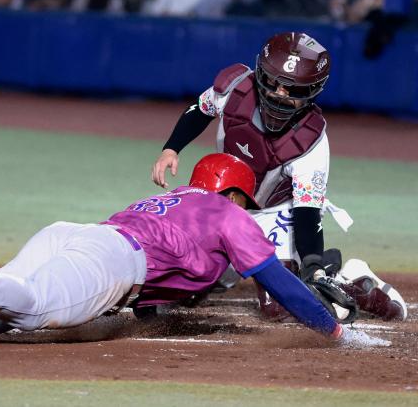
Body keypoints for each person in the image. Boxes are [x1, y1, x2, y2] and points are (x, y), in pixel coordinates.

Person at [0, 153, 388, 350]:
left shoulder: (176, 204)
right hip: (113, 261)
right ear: (233, 189)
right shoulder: (229, 215)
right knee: (28, 310)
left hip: (74, 234)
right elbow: (279, 283)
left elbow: (162, 301)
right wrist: (327, 326)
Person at [151, 32, 407, 322]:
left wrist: (313, 264)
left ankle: (352, 280)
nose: (278, 93)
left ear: (312, 91)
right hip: (228, 208)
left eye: (292, 90)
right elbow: (200, 110)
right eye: (273, 82)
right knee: (190, 279)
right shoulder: (235, 88)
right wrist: (171, 148)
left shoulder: (310, 142)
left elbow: (307, 212)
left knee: (281, 306)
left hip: (275, 211)